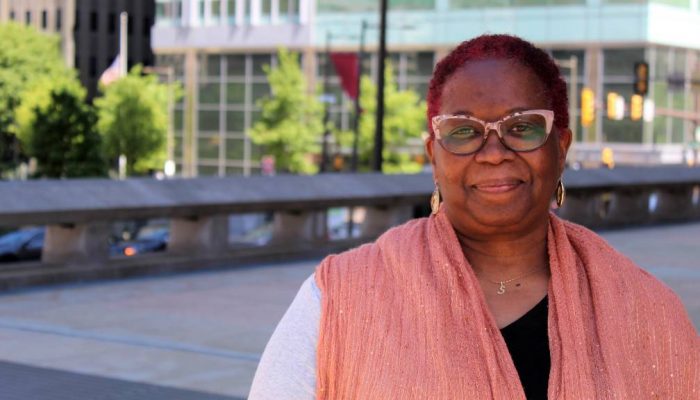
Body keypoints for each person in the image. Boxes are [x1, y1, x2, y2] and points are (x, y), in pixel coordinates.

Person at [249, 34, 699, 399]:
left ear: (560, 148)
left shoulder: (646, 311)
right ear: (434, 156)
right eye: (463, 131)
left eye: (521, 127)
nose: (493, 153)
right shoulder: (335, 303)